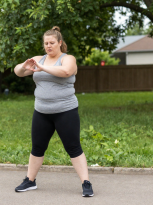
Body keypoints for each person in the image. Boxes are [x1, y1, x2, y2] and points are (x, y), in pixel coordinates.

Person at [13, 26, 94, 197]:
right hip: (41, 112)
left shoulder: (68, 59)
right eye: (45, 43)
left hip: (66, 111)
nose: (48, 46)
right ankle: (30, 180)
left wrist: (42, 68)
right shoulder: (38, 59)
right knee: (37, 147)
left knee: (73, 147)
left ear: (60, 43)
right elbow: (18, 72)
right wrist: (24, 66)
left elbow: (66, 72)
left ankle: (86, 183)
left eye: (52, 43)